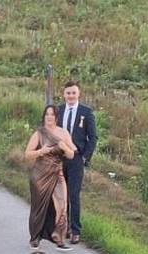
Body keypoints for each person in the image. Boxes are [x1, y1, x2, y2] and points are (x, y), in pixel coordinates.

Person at [25, 105, 75, 250]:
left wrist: (65, 148)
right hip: (40, 174)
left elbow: (71, 154)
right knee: (39, 207)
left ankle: (59, 238)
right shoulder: (39, 134)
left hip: (57, 173)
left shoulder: (63, 133)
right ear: (44, 116)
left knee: (62, 204)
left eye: (52, 114)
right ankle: (35, 237)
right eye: (47, 114)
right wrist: (41, 151)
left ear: (56, 117)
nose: (49, 117)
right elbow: (27, 154)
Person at [56, 81, 97, 244]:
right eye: (68, 93)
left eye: (73, 93)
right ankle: (63, 226)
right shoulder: (58, 110)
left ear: (78, 94)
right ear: (64, 95)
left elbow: (93, 137)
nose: (71, 96)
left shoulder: (86, 112)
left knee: (73, 194)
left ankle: (75, 229)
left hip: (77, 158)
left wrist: (85, 157)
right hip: (60, 158)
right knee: (61, 194)